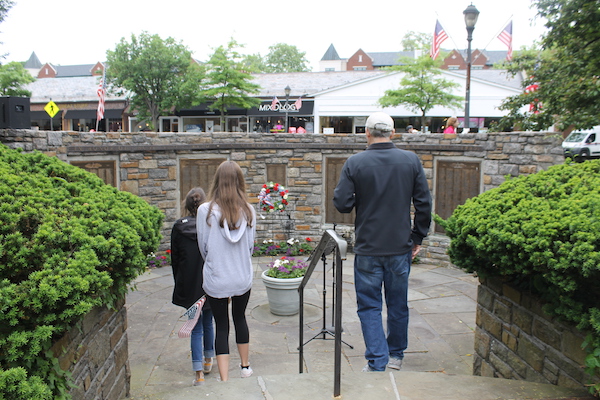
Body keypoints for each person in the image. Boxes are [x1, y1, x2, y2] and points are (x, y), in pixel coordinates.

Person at [333, 111, 432, 372]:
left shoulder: (355, 163)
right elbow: (424, 204)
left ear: (366, 133)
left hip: (368, 247)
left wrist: (361, 199)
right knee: (398, 303)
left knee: (369, 306)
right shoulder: (410, 160)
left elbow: (342, 203)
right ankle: (396, 355)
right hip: (400, 246)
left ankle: (377, 360)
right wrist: (417, 236)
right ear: (393, 132)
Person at [196, 161, 256, 382]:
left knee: (221, 325)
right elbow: (250, 247)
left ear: (217, 181)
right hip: (241, 277)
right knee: (240, 318)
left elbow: (203, 246)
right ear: (240, 181)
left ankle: (224, 379)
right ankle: (245, 367)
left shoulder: (205, 210)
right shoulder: (249, 210)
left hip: (217, 278)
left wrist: (215, 263)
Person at [171, 187, 215, 386]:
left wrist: (180, 284)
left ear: (186, 205)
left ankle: (198, 374)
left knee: (195, 328)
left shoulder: (178, 228)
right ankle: (208, 359)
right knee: (208, 322)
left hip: (189, 287)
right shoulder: (211, 225)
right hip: (210, 284)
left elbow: (176, 260)